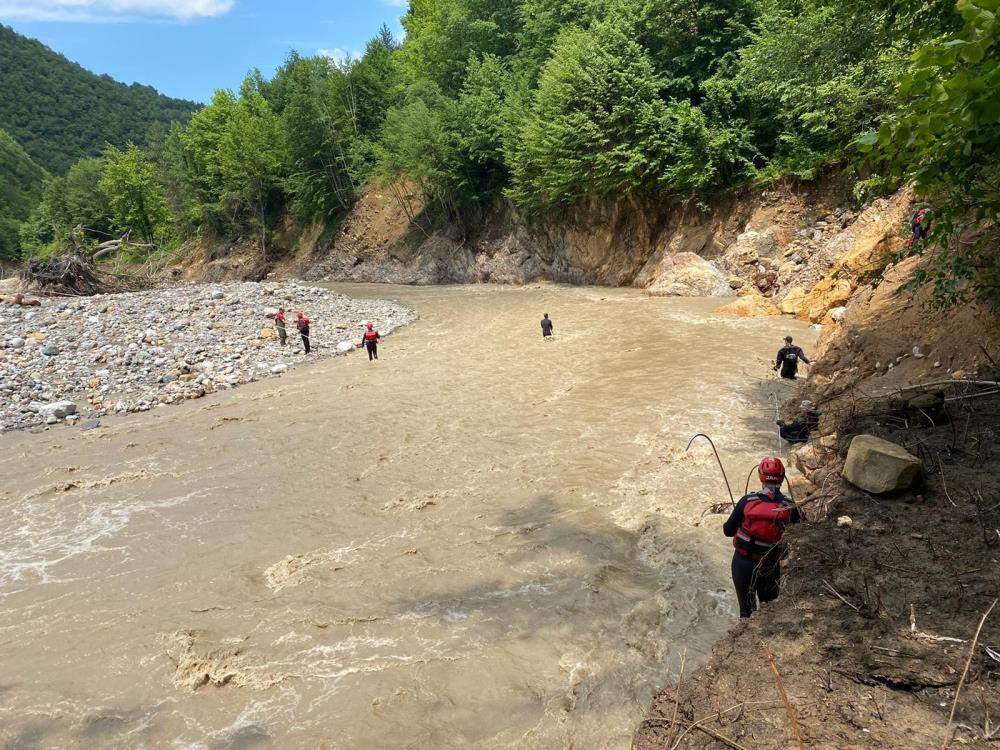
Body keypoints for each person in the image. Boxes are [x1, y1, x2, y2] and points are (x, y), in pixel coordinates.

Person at [723, 457, 801, 618]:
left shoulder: (746, 501)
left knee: (746, 611)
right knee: (769, 610)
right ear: (782, 477)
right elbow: (801, 531)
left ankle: (744, 639)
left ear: (761, 476)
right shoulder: (789, 506)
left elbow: (728, 531)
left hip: (742, 564)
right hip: (770, 564)